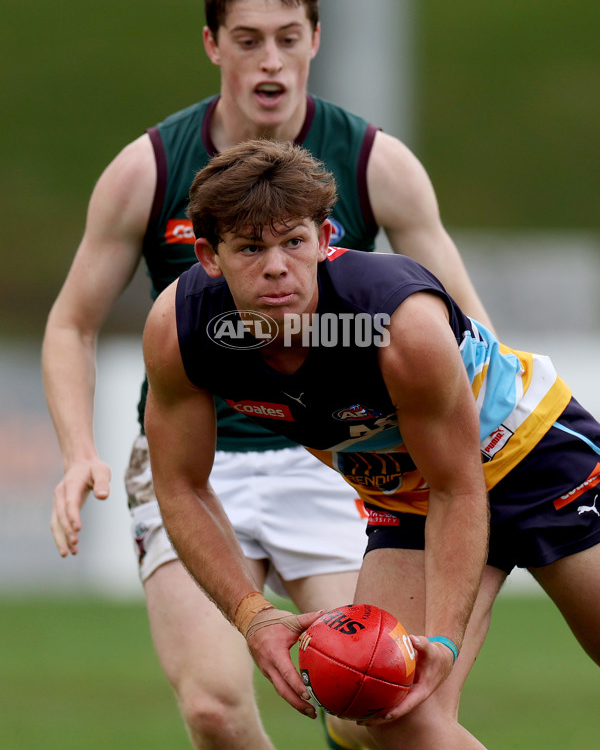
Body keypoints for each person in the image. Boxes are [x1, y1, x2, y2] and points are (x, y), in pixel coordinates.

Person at [41, 0, 493, 750]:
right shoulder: (148, 169)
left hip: (335, 457)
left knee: (367, 703)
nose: (271, 62)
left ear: (316, 40)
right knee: (215, 708)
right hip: (194, 463)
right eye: (248, 40)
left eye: (288, 38)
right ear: (214, 44)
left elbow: (465, 318)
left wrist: (489, 440)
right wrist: (79, 449)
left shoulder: (374, 162)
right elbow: (71, 323)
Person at [143, 138, 600, 750]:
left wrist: (442, 640)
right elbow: (179, 486)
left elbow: (460, 485)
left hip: (539, 459)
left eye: (294, 242)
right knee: (394, 716)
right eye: (251, 247)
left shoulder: (397, 322)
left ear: (326, 237)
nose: (277, 266)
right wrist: (254, 618)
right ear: (208, 256)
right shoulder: (184, 332)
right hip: (412, 498)